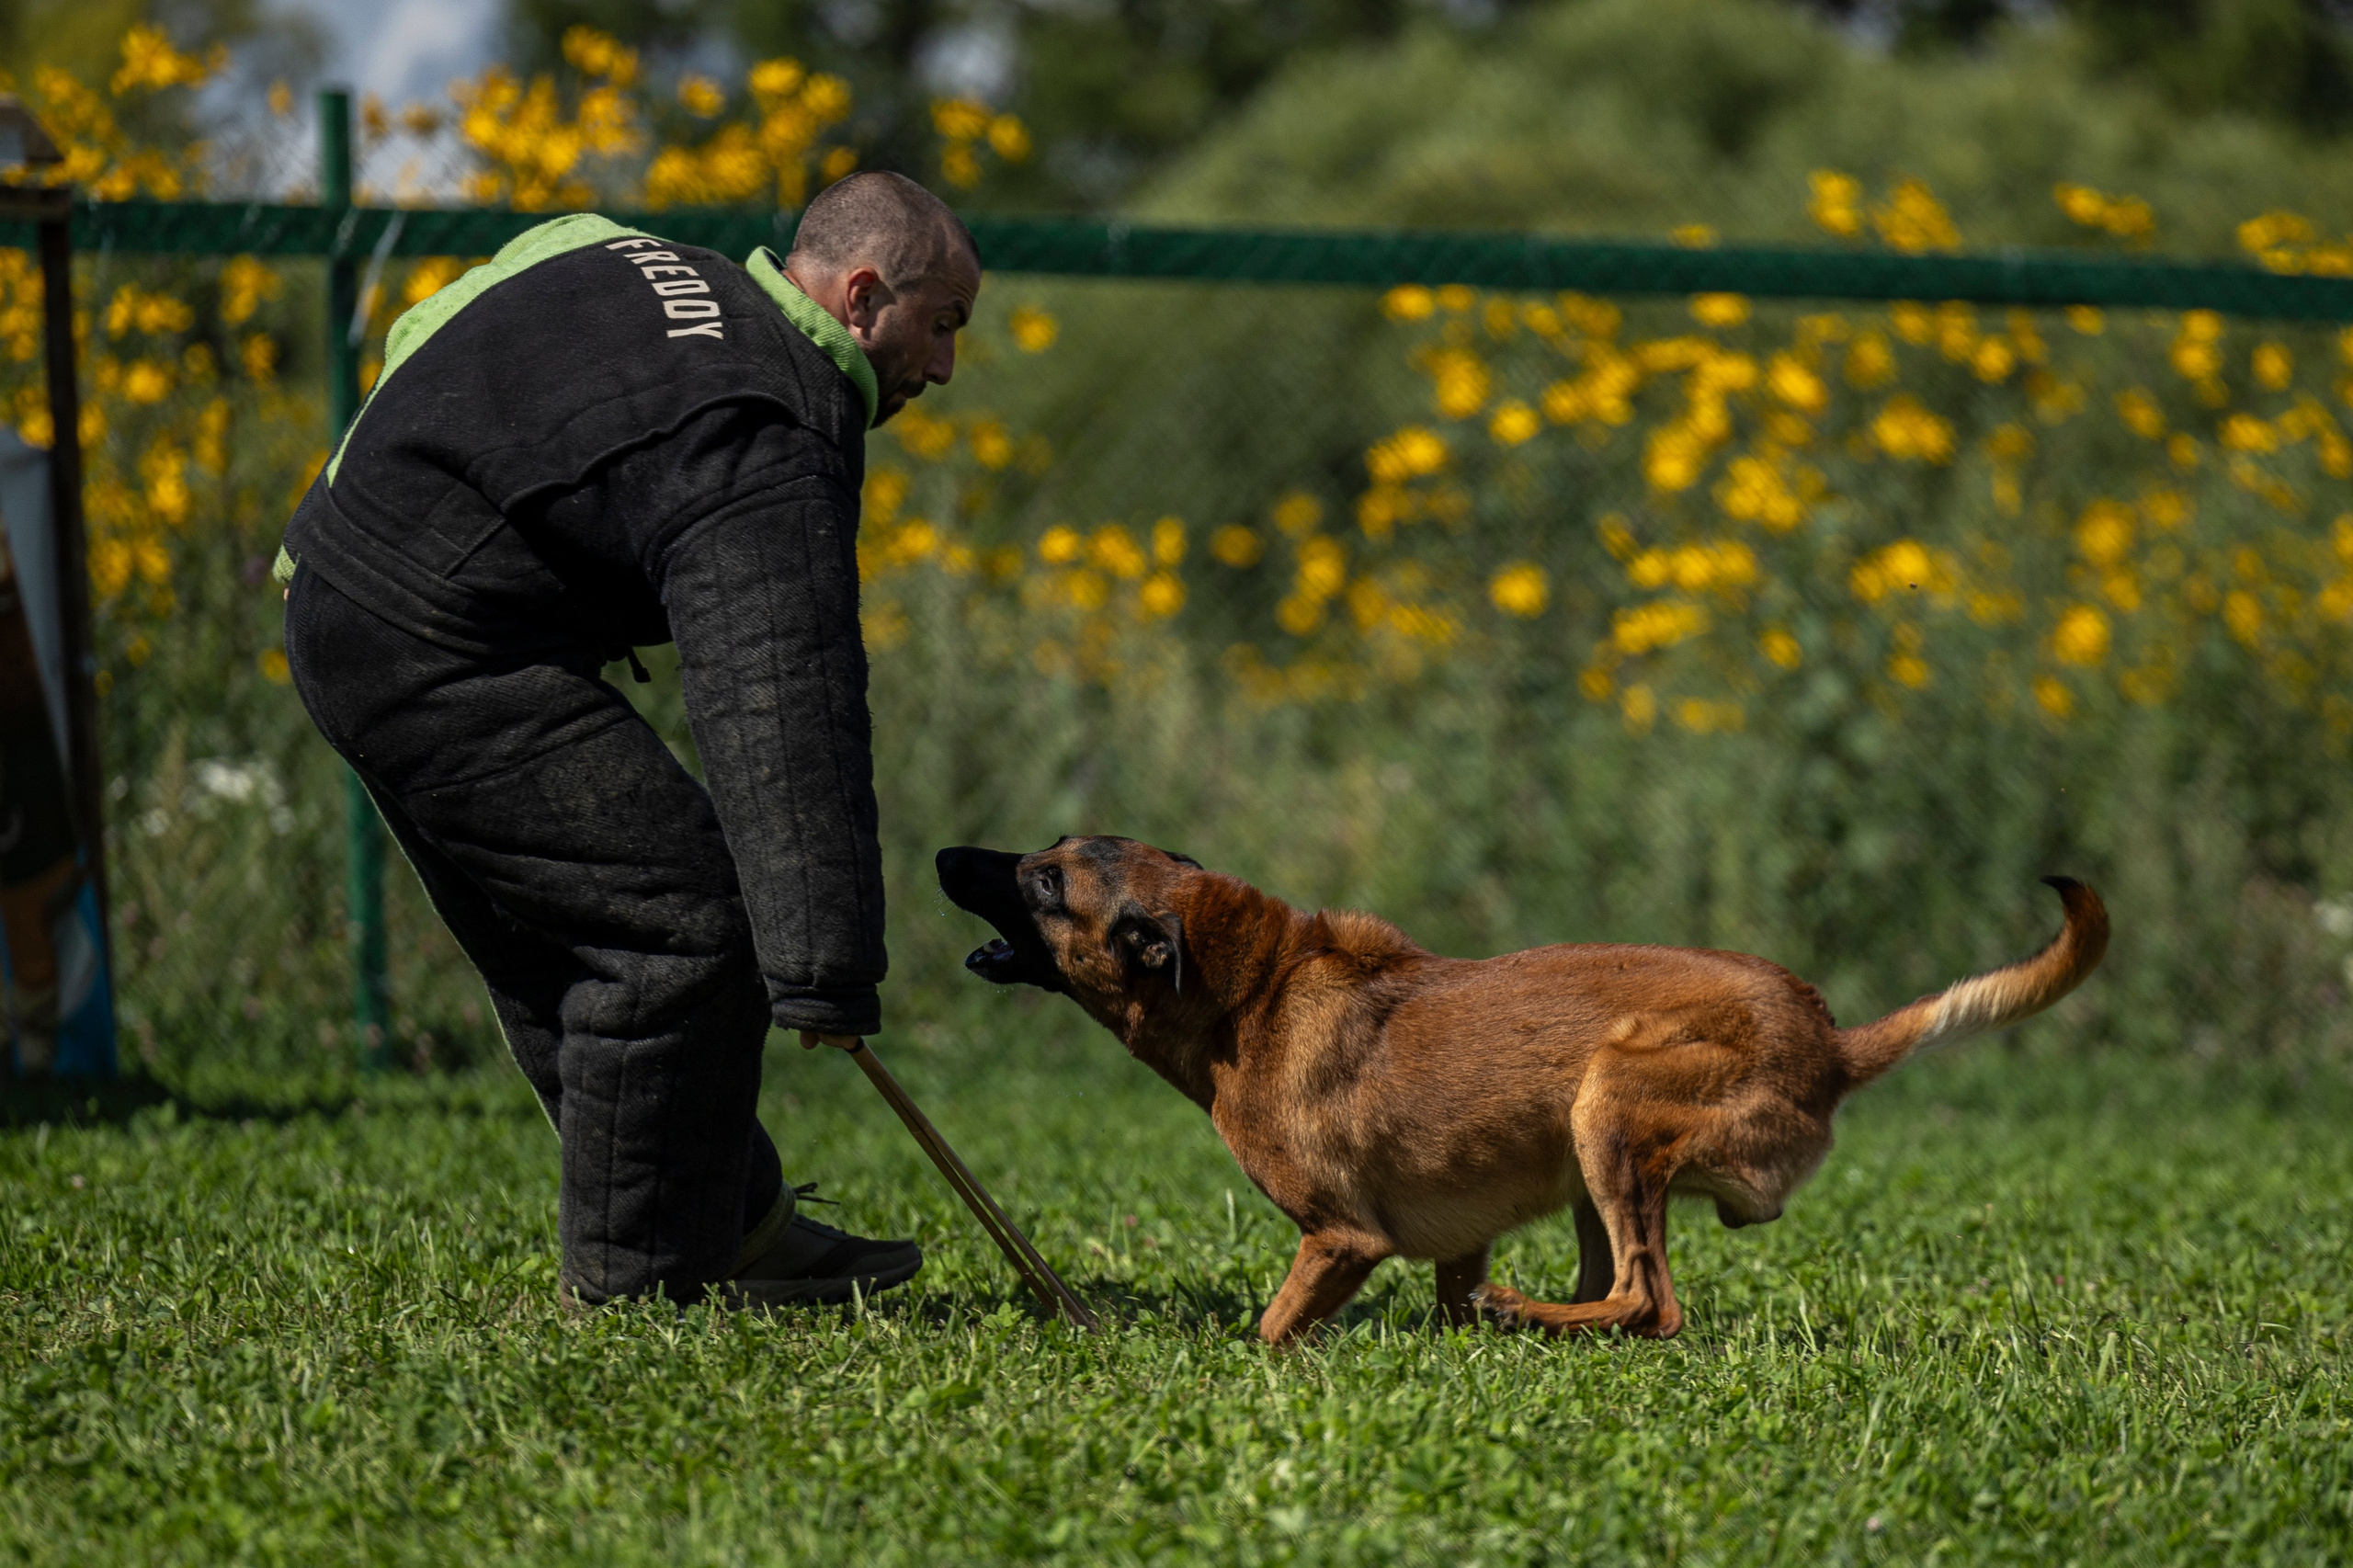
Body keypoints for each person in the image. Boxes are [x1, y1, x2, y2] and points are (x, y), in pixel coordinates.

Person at [277, 171, 982, 1309]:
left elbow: (434, 323)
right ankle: (638, 1285)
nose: (945, 366)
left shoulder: (641, 257)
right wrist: (822, 966)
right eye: (941, 324)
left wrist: (340, 513)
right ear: (860, 296)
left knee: (584, 939)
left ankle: (734, 1220)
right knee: (688, 927)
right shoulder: (769, 418)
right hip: (438, 645)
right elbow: (780, 693)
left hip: (348, 592)